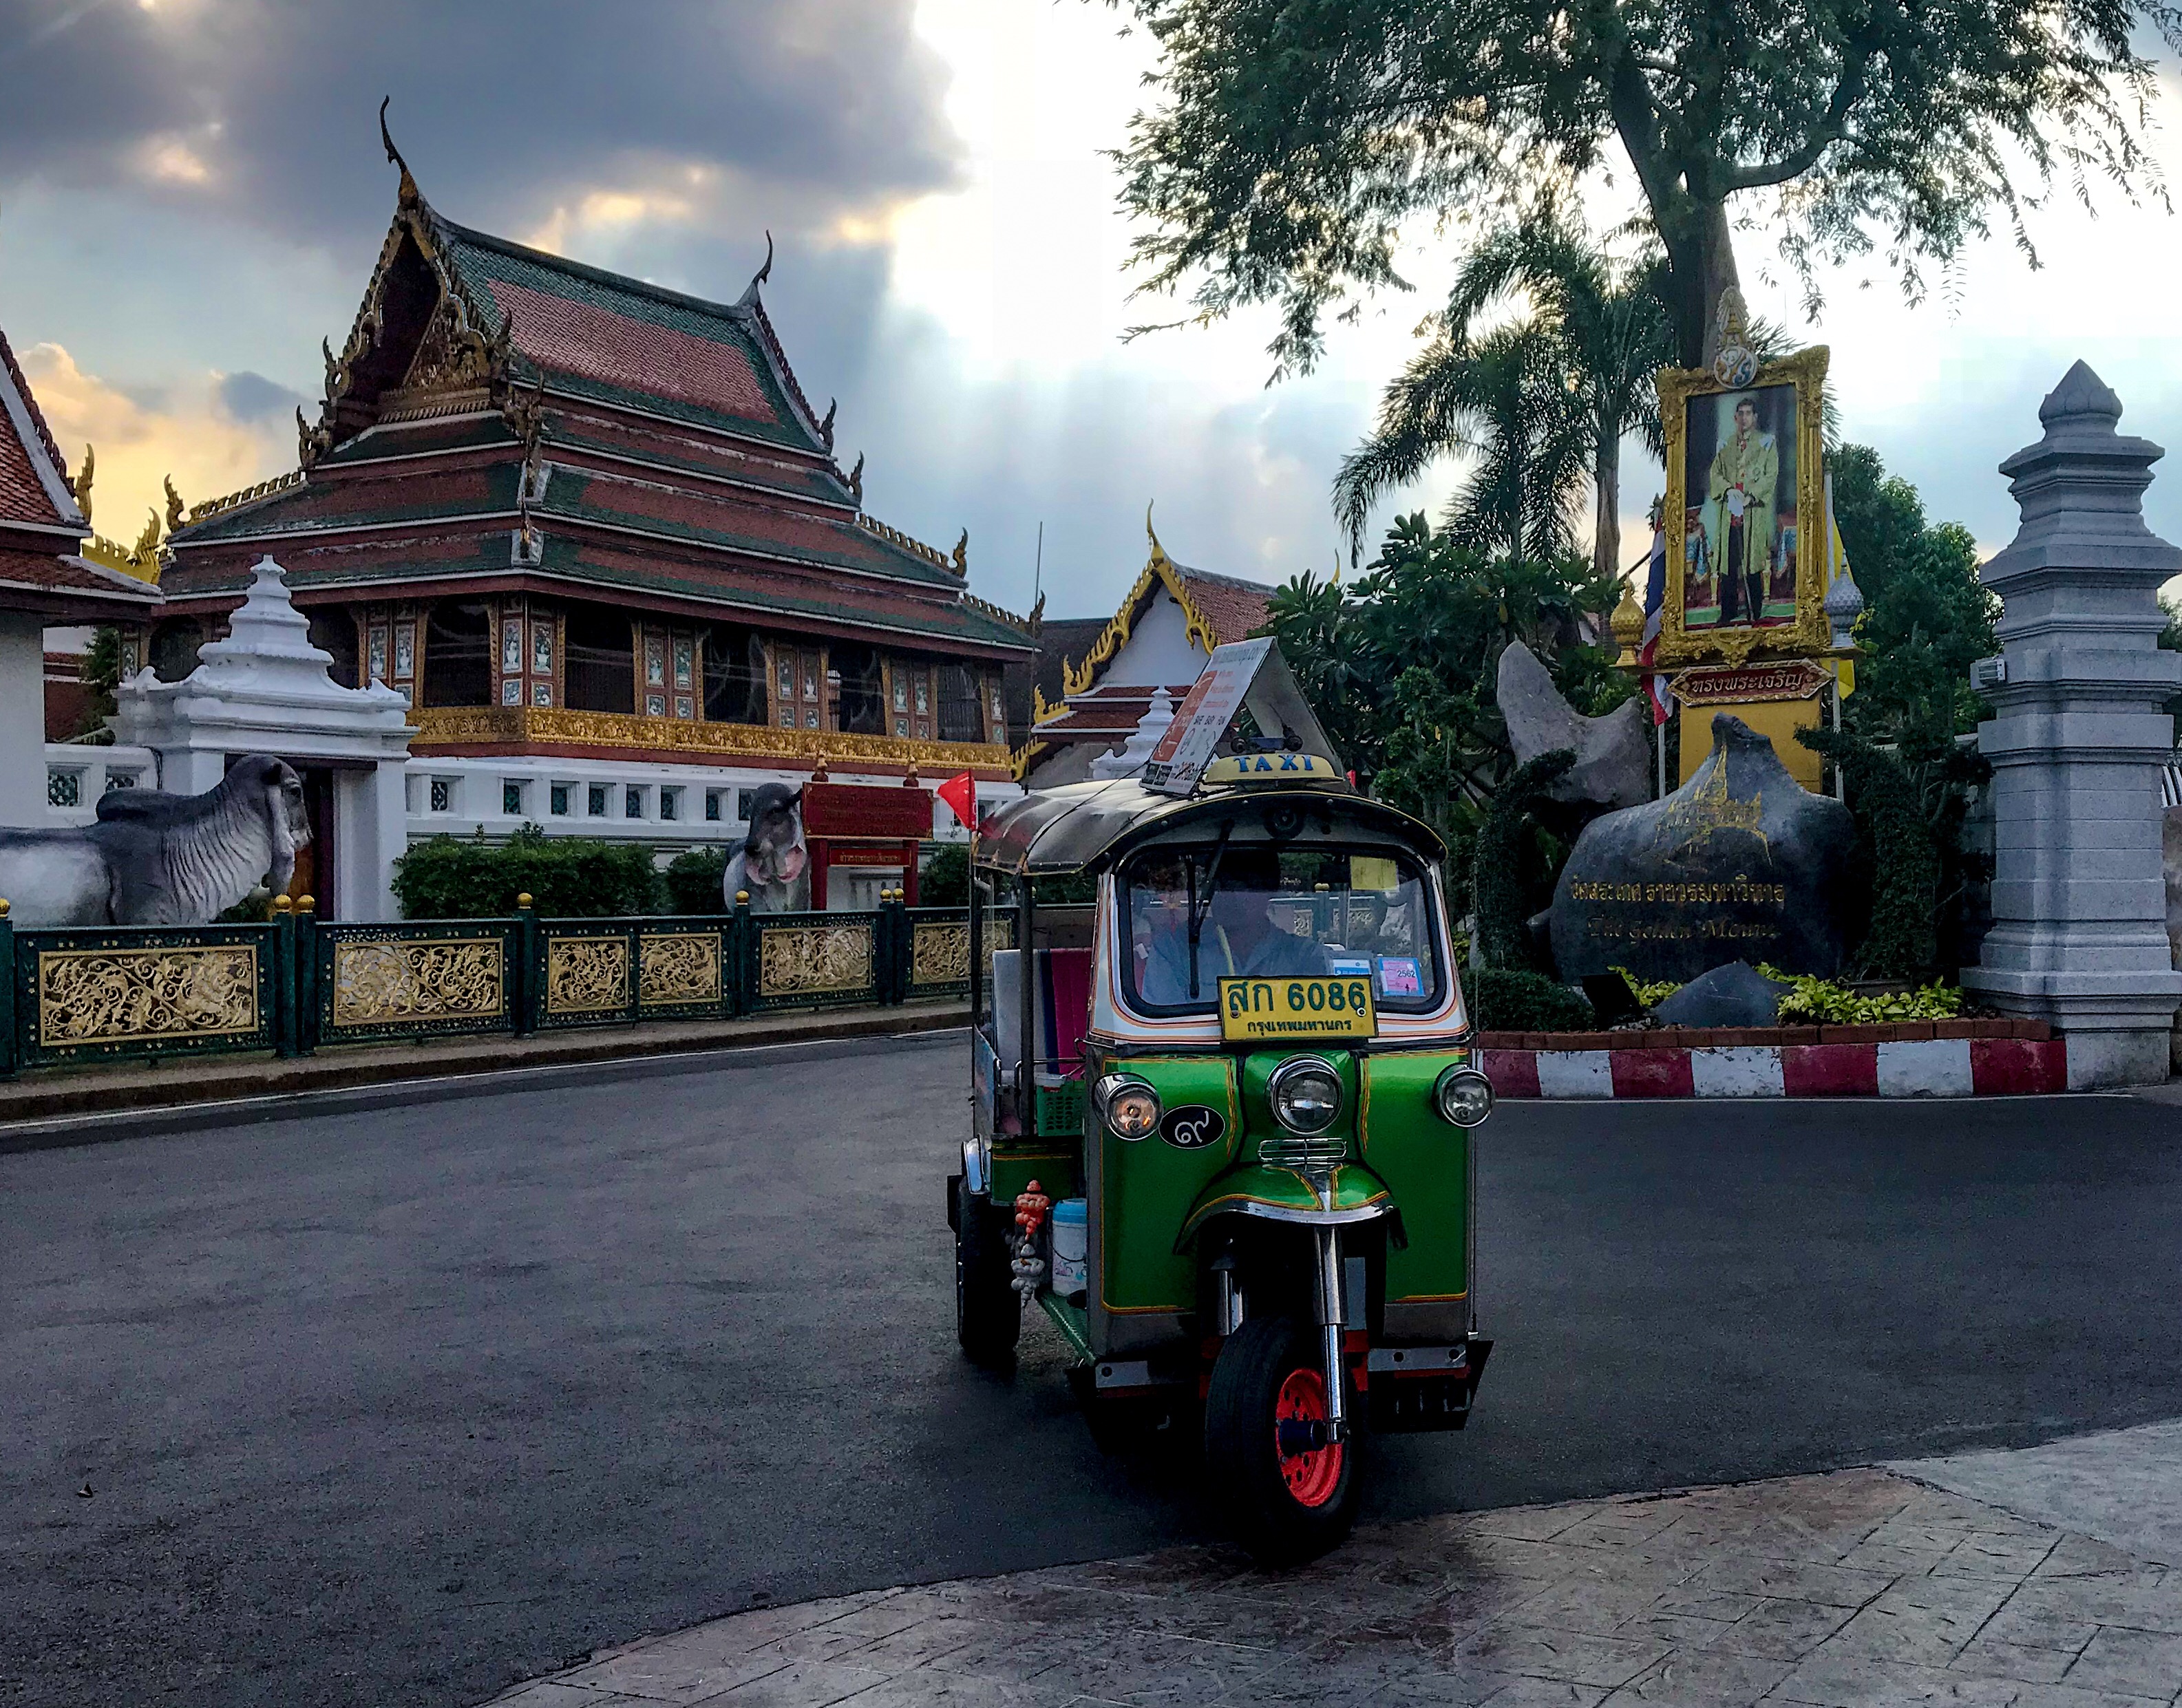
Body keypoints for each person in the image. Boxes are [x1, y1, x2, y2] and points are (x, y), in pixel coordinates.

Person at [1135, 847, 1330, 1005]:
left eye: (1246, 887)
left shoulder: (1304, 957)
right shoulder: (1174, 949)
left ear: (1269, 890)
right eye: (1222, 885)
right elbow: (1164, 1034)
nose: (1232, 897)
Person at [1700, 394, 1778, 626]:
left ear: (1754, 417)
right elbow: (1716, 474)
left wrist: (1751, 495)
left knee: (1752, 562)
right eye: (1740, 414)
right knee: (1728, 564)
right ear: (1735, 418)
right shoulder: (1725, 447)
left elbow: (1770, 475)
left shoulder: (1766, 444)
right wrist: (1727, 491)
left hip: (1752, 513)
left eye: (1748, 414)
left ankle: (1755, 611)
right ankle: (1728, 612)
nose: (1744, 418)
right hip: (1730, 514)